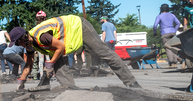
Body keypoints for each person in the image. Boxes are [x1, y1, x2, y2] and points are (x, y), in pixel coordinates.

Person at [9, 16, 141, 90]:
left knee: (103, 52)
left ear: (23, 38)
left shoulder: (41, 36)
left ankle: (132, 83)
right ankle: (71, 90)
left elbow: (60, 47)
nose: (18, 45)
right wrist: (21, 81)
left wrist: (49, 64)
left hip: (79, 26)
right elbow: (28, 65)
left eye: (17, 42)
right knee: (57, 65)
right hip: (69, 36)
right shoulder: (30, 44)